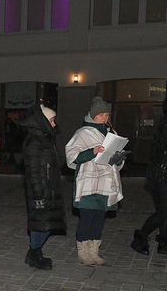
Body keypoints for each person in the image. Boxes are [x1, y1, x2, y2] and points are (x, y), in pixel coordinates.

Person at [65, 96, 125, 266]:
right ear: (92, 115)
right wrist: (91, 152)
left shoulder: (111, 133)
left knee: (99, 218)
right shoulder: (82, 133)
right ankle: (83, 252)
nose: (104, 118)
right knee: (87, 218)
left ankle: (94, 251)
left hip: (105, 183)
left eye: (106, 115)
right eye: (101, 115)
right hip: (88, 183)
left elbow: (117, 160)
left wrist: (118, 159)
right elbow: (72, 157)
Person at [19, 104, 67, 269]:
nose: (54, 124)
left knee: (46, 223)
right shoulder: (34, 141)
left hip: (49, 188)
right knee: (41, 223)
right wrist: (38, 193)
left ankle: (36, 251)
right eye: (52, 121)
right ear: (42, 122)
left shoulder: (44, 139)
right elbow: (32, 171)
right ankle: (33, 253)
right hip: (41, 190)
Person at [131, 97, 167, 255]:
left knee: (164, 211)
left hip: (160, 174)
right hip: (162, 175)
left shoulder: (163, 126)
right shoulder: (165, 128)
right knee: (163, 212)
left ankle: (163, 243)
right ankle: (140, 238)